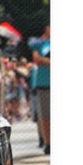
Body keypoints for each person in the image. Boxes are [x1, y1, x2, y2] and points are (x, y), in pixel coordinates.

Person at [30, 24, 51, 154]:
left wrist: (45, 61)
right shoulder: (41, 44)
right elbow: (36, 59)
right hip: (43, 83)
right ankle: (48, 142)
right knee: (44, 116)